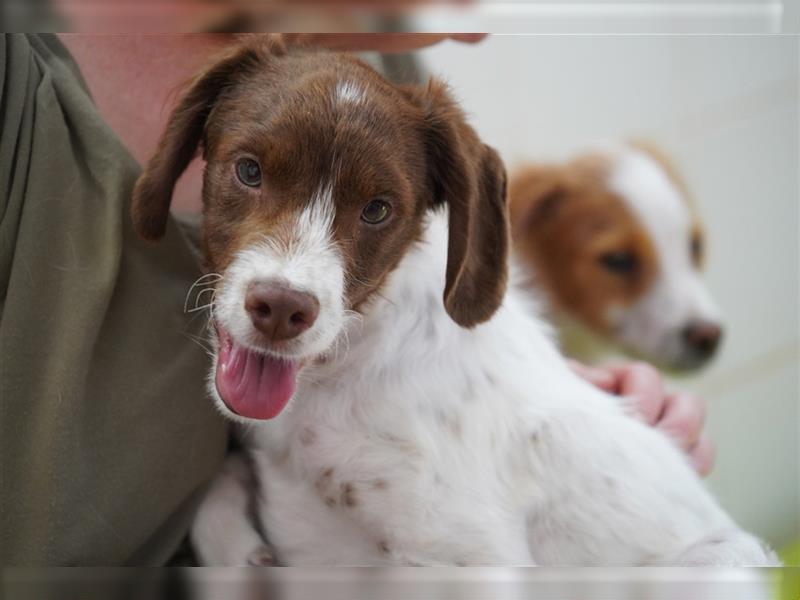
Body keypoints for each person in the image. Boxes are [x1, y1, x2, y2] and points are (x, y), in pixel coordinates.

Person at [0, 33, 712, 567]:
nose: (290, 286)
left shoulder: (387, 56)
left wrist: (534, 406)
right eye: (250, 171)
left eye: (375, 212)